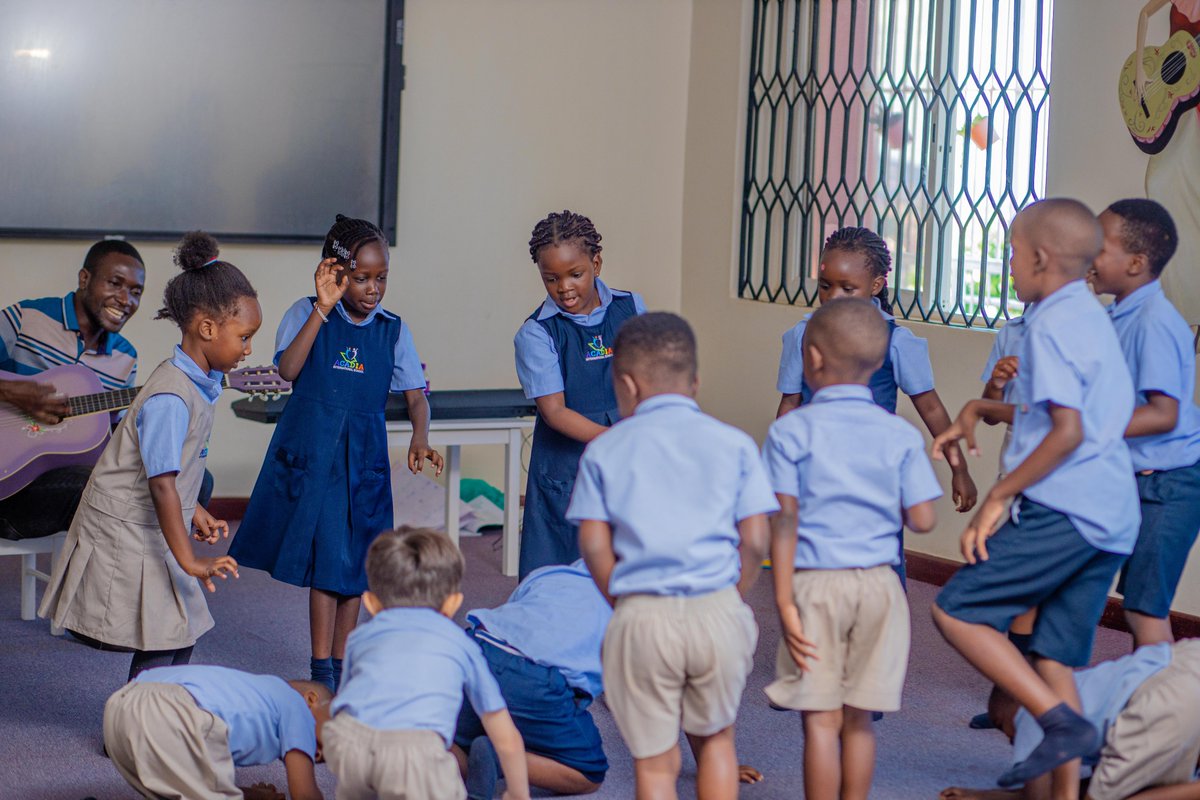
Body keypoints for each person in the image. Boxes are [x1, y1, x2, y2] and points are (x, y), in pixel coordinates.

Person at [931, 199, 1141, 792]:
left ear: (1041, 258)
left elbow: (1068, 431)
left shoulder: (1048, 322)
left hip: (1066, 511)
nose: (1010, 263)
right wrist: (979, 407)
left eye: (1013, 253)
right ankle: (1064, 772)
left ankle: (1059, 722)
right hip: (1110, 516)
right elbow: (1062, 414)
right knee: (1054, 657)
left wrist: (998, 497)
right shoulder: (1088, 317)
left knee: (956, 609)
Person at [229, 214, 443, 693]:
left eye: (381, 277)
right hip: (315, 452)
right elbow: (287, 370)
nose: (373, 289)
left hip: (363, 459)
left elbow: (415, 394)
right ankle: (322, 666)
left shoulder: (393, 330)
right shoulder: (306, 313)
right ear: (336, 273)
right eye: (361, 278)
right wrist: (321, 309)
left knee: (357, 565)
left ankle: (343, 663)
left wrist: (420, 436)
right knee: (328, 563)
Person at [569, 312, 777, 800]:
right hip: (718, 612)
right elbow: (756, 540)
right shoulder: (735, 444)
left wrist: (622, 599)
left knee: (657, 762)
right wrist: (732, 592)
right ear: (696, 382)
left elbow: (595, 544)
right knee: (719, 741)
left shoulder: (606, 450)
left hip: (643, 615)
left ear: (627, 385)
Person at [38, 232, 258, 681]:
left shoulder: (194, 383)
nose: (249, 349)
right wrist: (190, 559)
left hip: (153, 526)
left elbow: (170, 473)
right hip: (127, 531)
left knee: (182, 627)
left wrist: (194, 509)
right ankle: (132, 723)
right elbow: (159, 483)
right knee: (166, 630)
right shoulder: (170, 398)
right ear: (208, 329)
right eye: (245, 336)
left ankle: (151, 712)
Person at [763, 297, 942, 800]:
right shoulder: (898, 434)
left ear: (812, 360)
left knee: (820, 723)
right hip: (881, 587)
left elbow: (784, 520)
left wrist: (782, 601)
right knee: (859, 721)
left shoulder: (790, 431)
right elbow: (924, 519)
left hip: (815, 585)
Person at [774, 227, 976, 582]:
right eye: (825, 285)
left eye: (847, 288)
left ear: (876, 286)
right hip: (815, 467)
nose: (833, 296)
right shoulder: (802, 335)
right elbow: (790, 401)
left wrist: (959, 468)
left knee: (881, 559)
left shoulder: (897, 340)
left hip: (875, 471)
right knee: (811, 557)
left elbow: (930, 407)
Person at [323, 527, 530, 800]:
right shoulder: (461, 644)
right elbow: (503, 732)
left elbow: (347, 697)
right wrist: (518, 793)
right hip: (417, 750)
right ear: (453, 603)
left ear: (371, 603)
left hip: (350, 742)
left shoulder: (359, 637)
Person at [1089, 198, 1200, 648]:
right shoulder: (1117, 315)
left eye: (1099, 247)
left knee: (1143, 608)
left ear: (1135, 263)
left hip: (1170, 484)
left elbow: (1163, 413)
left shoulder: (1153, 322)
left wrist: (1084, 428)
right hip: (1132, 477)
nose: (1087, 255)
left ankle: (1162, 715)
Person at [513, 210, 645, 579]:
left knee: (626, 564)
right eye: (551, 278)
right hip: (566, 466)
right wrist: (616, 439)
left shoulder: (631, 308)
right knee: (562, 572)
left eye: (575, 274)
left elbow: (649, 378)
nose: (564, 288)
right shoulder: (537, 333)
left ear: (596, 263)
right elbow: (554, 411)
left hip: (627, 461)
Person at [0, 240, 147, 540]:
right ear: (84, 279)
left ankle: (131, 583)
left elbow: (110, 442)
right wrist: (11, 391)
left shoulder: (125, 358)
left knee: (188, 479)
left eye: (135, 292)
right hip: (8, 491)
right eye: (115, 283)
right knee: (97, 488)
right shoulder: (26, 319)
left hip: (59, 483)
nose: (125, 300)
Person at [940, 639, 1200, 800]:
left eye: (1001, 725)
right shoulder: (1084, 689)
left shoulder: (1033, 715)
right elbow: (1095, 780)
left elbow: (1038, 798)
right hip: (1184, 658)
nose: (1009, 739)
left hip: (1162, 705)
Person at [453, 560, 612, 799]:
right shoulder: (630, 605)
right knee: (589, 773)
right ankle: (500, 758)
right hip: (537, 681)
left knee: (448, 736)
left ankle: (439, 753)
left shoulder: (549, 574)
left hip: (476, 648)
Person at [103, 665, 330, 800]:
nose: (316, 755)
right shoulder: (296, 706)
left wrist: (249, 795)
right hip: (172, 709)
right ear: (311, 699)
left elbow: (200, 779)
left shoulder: (254, 695)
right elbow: (305, 794)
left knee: (181, 791)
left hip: (121, 708)